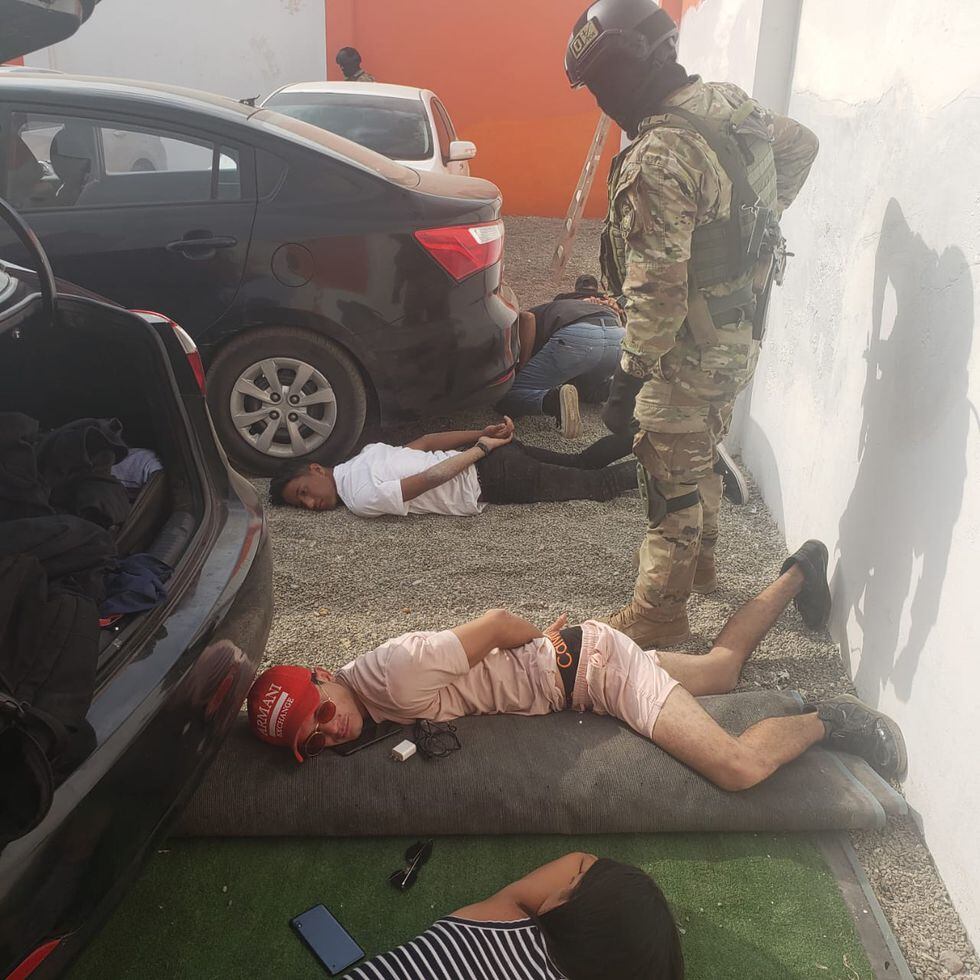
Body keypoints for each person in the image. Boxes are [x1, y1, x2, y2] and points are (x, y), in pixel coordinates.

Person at [564, 0, 820, 645]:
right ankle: (700, 564)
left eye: (602, 83)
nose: (602, 100)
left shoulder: (659, 154)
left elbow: (658, 293)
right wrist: (754, 227)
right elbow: (800, 144)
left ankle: (660, 613)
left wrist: (627, 382)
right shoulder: (725, 104)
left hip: (685, 350)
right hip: (736, 337)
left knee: (667, 476)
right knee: (700, 451)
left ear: (633, 66)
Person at [246, 540, 907, 789]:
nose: (331, 730)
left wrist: (542, 642)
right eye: (314, 739)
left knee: (736, 769)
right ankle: (802, 570)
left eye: (320, 713)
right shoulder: (363, 691)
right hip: (586, 662)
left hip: (594, 672)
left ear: (322, 674)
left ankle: (833, 719)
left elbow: (497, 623)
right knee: (722, 669)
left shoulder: (393, 674)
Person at [342, 853, 684, 980]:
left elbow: (583, 859)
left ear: (577, 916)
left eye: (572, 886)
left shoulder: (505, 919)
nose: (567, 881)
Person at [269, 417, 637, 517]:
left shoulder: (359, 498)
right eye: (301, 504)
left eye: (303, 492)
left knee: (598, 485)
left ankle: (664, 469)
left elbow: (431, 477)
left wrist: (482, 444)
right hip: (495, 459)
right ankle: (646, 432)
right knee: (582, 463)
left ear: (315, 469)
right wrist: (482, 435)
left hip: (492, 475)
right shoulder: (365, 455)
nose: (310, 503)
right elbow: (427, 443)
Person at [497, 280, 627, 439]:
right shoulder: (592, 306)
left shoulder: (550, 308)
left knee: (508, 395)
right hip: (618, 337)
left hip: (578, 338)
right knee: (585, 389)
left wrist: (523, 365)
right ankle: (620, 389)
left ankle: (553, 400)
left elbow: (527, 318)